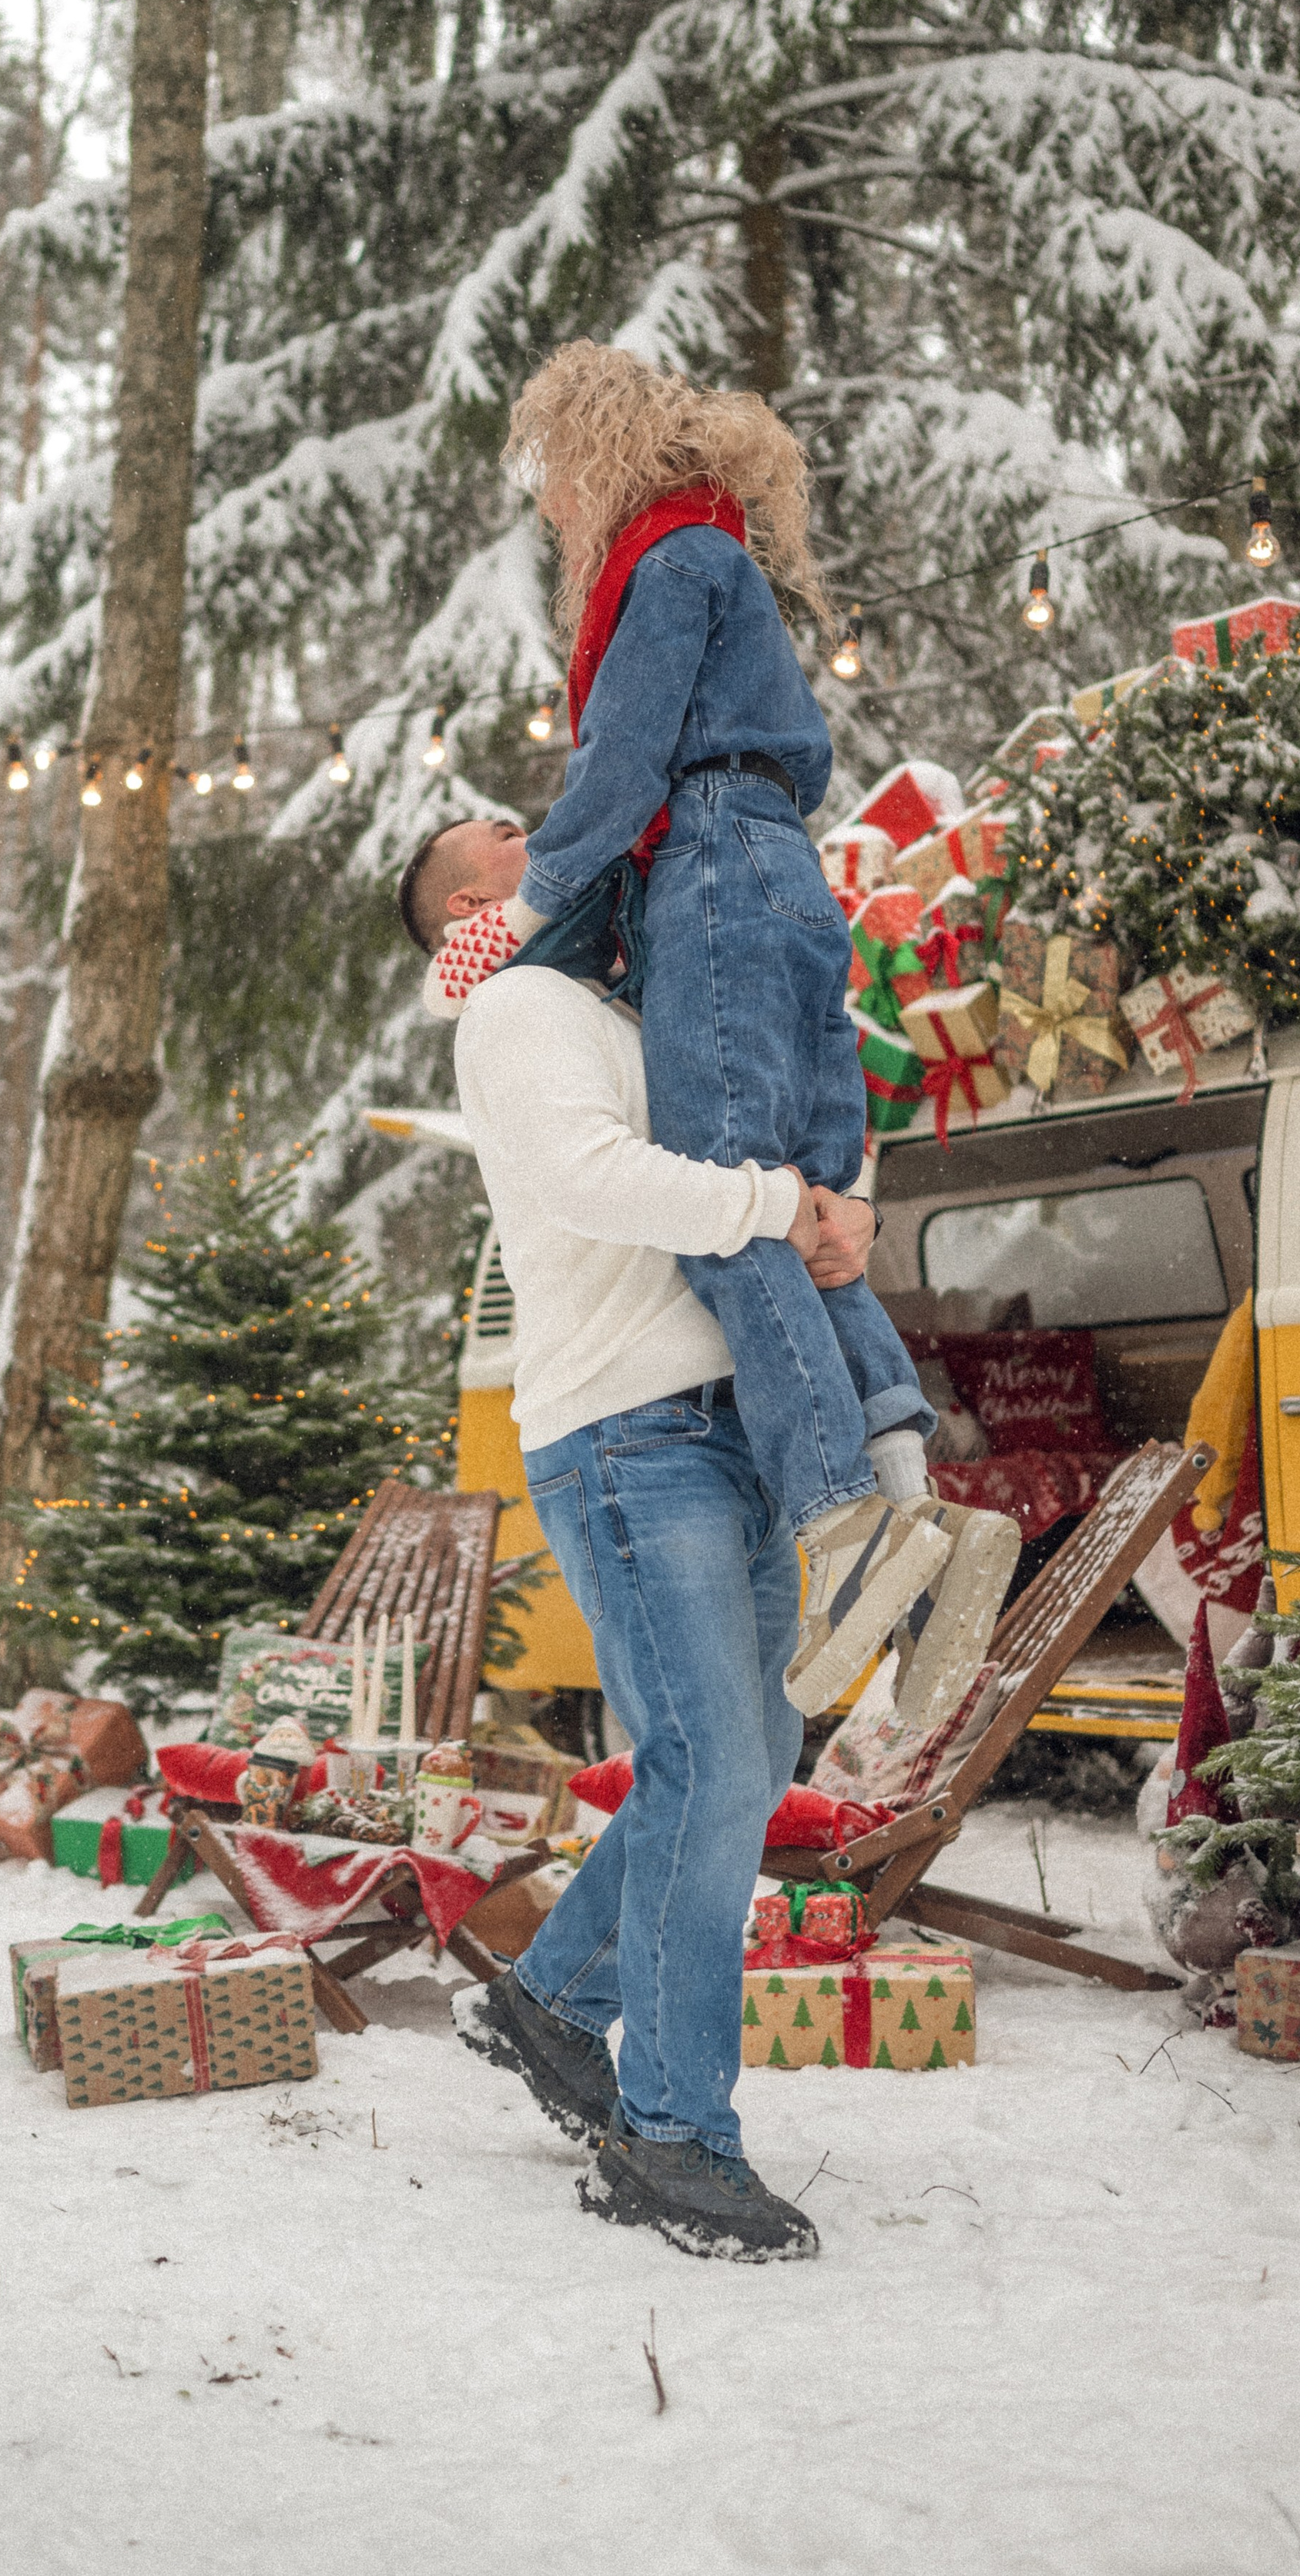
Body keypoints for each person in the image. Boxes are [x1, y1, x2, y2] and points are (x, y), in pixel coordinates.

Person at [402, 343, 950, 1707]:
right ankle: (901, 1477)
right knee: (811, 1194)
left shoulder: (666, 563)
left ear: (600, 456)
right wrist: (478, 957)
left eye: (556, 489)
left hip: (710, 865)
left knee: (733, 1189)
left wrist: (515, 915)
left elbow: (625, 767)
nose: (555, 523)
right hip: (784, 871)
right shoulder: (726, 563)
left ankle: (845, 1516)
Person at [436, 940, 868, 2257]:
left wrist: (842, 1208)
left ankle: (556, 2005)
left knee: (756, 1753)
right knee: (709, 1763)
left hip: (734, 1425)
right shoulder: (520, 1006)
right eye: (509, 838)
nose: (552, 833)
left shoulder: (648, 997)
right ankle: (673, 2140)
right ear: (470, 903)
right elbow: (588, 1174)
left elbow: (786, 1152)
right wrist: (773, 1203)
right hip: (631, 1434)